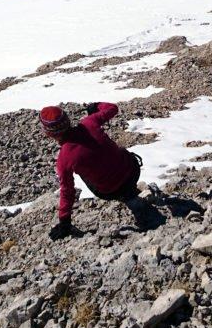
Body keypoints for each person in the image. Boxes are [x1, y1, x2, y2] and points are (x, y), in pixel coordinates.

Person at [40, 102, 155, 240]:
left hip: (111, 190)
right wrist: (96, 106)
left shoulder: (64, 159)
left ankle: (132, 200)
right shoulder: (89, 122)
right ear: (68, 120)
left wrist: (64, 221)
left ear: (49, 134)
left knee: (83, 170)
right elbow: (113, 108)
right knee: (114, 153)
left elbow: (67, 191)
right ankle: (132, 193)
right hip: (132, 170)